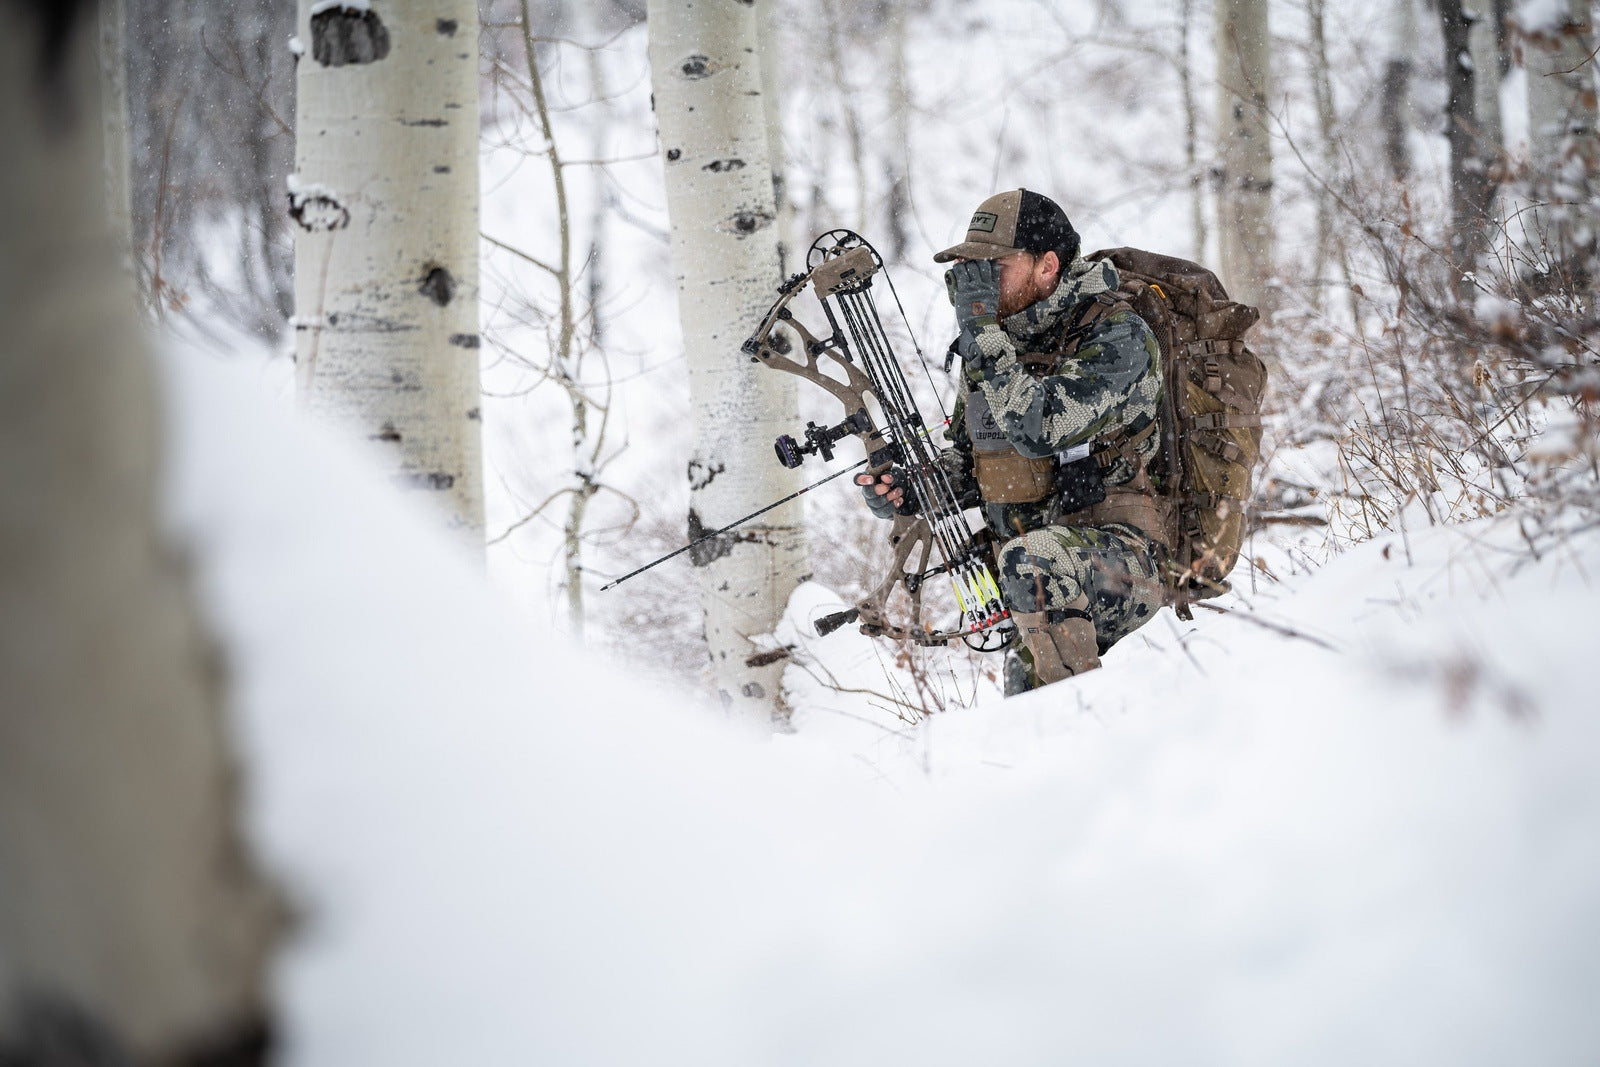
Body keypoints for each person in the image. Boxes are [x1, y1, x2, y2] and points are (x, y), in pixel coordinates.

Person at [857, 189, 1167, 692]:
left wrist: (981, 333)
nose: (974, 288)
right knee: (1026, 684)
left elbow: (1039, 429)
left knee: (1034, 563)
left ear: (1047, 267)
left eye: (993, 268)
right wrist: (906, 488)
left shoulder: (1116, 335)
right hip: (1033, 567)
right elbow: (971, 466)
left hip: (1123, 560)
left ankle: (1077, 726)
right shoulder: (995, 346)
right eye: (968, 272)